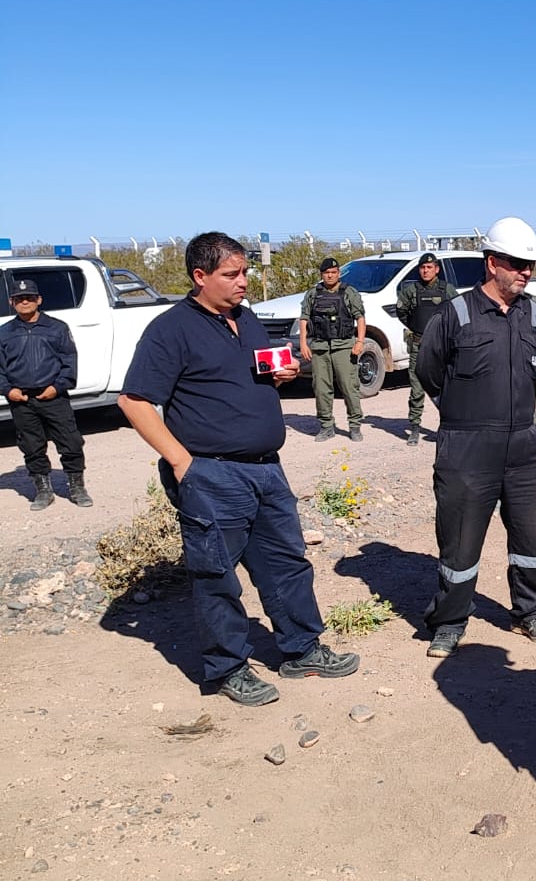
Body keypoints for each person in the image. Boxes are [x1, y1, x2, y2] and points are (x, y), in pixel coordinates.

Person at [118, 231, 359, 705]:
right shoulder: (170, 329)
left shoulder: (244, 319)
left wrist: (282, 372)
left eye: (245, 271)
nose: (243, 282)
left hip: (267, 470)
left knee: (287, 565)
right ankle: (229, 669)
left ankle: (301, 649)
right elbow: (135, 401)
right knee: (217, 577)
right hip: (212, 475)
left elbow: (252, 369)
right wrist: (182, 463)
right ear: (199, 276)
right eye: (231, 274)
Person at [416, 216, 536, 658]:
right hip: (467, 450)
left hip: (522, 450)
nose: (526, 272)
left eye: (531, 264)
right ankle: (450, 621)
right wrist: (466, 416)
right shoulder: (454, 314)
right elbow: (429, 372)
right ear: (492, 262)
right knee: (459, 541)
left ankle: (530, 612)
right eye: (517, 263)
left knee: (532, 539)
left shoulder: (535, 313)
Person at [0, 277, 91, 508]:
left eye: (30, 297)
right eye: (19, 299)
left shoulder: (57, 328)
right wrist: (8, 390)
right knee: (31, 446)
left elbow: (69, 361)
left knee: (70, 442)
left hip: (53, 396)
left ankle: (77, 487)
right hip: (21, 400)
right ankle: (42, 490)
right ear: (12, 302)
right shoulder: (4, 333)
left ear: (39, 299)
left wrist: (57, 387)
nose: (25, 302)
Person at [298, 257, 366, 442]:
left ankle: (354, 426)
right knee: (321, 388)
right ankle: (326, 426)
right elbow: (304, 318)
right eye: (327, 273)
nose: (330, 276)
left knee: (348, 386)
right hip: (320, 347)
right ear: (322, 274)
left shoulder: (348, 292)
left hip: (343, 346)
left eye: (333, 273)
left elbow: (360, 317)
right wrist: (303, 342)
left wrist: (359, 341)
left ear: (338, 274)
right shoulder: (313, 294)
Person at [396, 253, 457, 446]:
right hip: (418, 345)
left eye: (429, 267)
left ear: (437, 269)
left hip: (441, 346)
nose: (425, 271)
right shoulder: (410, 291)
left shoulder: (447, 290)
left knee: (446, 389)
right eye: (422, 267)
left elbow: (457, 312)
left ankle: (447, 428)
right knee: (416, 389)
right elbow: (402, 313)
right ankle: (414, 427)